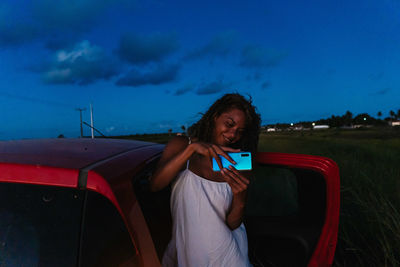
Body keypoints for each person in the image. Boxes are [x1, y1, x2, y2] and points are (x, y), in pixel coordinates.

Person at [150, 93, 261, 267]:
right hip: (190, 255)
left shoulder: (238, 162)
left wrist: (240, 199)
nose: (233, 134)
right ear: (215, 116)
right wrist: (191, 149)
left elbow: (233, 224)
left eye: (240, 131)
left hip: (229, 257)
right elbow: (155, 184)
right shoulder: (182, 144)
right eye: (229, 124)